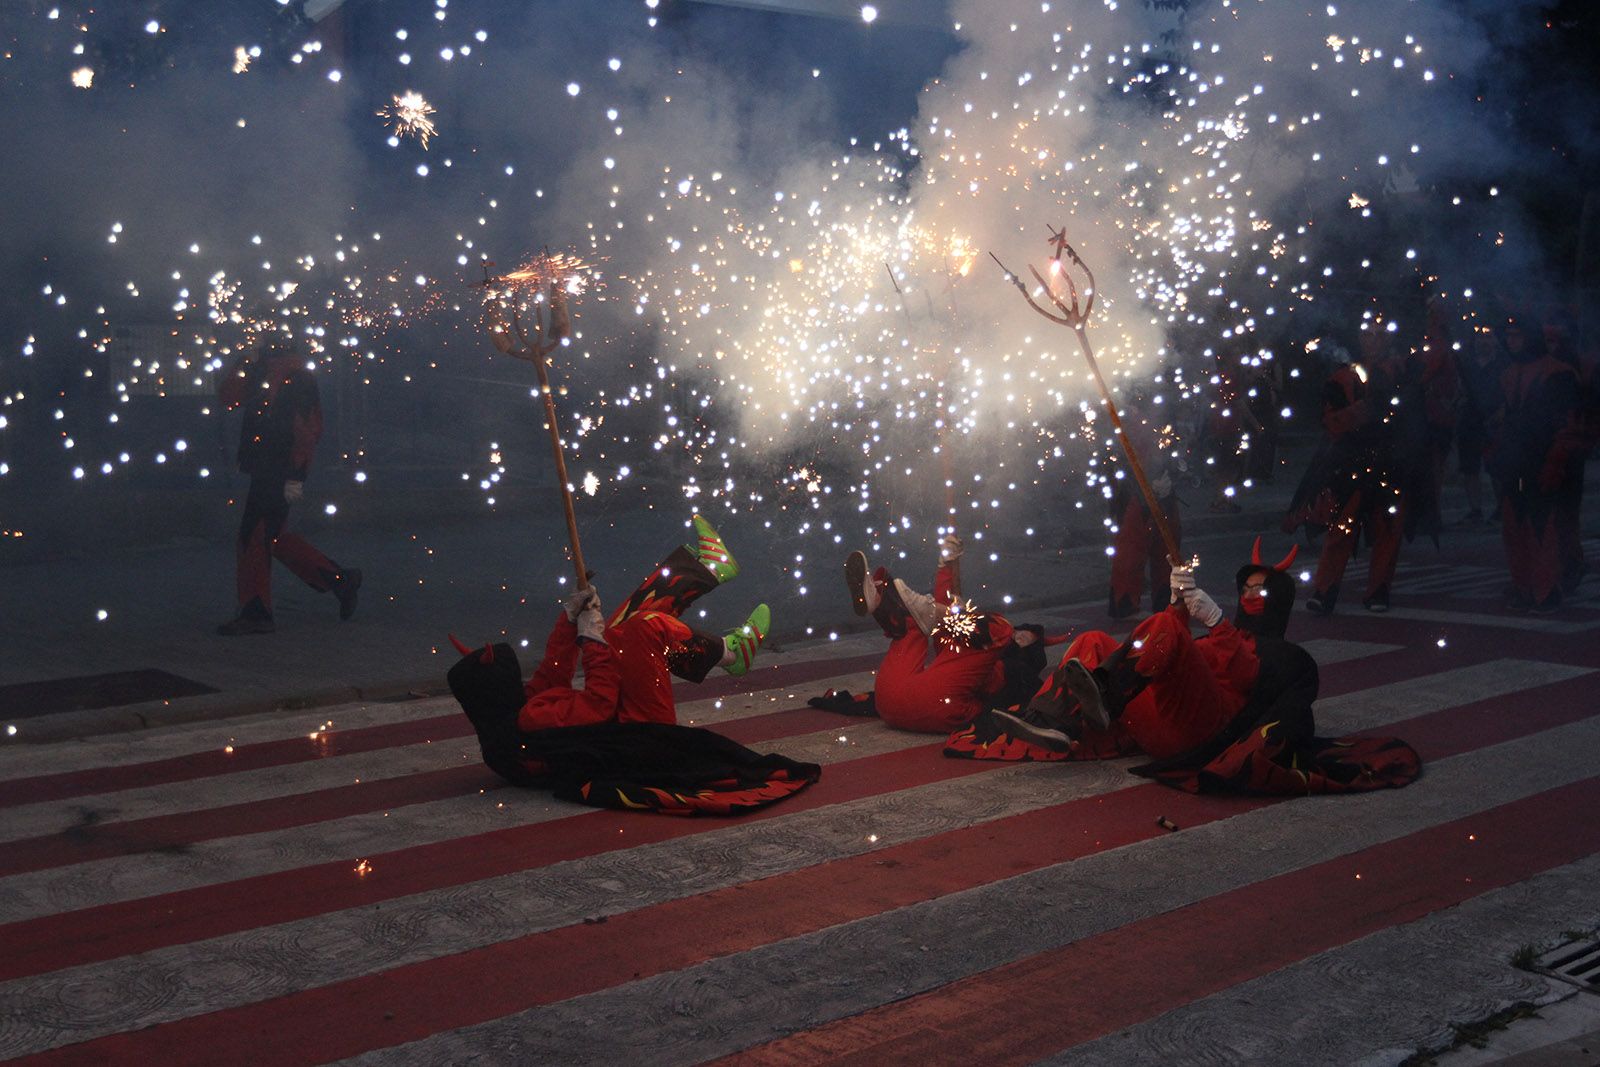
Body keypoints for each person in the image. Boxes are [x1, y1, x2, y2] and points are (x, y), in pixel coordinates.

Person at [992, 538, 1420, 795]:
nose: (1252, 596)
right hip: (1160, 721)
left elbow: (1245, 677)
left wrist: (1215, 620)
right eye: (1247, 588)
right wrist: (1179, 604)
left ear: (1280, 600)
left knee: (1166, 627)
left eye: (1262, 590)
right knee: (1093, 640)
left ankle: (1107, 692)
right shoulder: (1223, 634)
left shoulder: (1287, 655)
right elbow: (1171, 653)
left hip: (1204, 728)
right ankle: (1052, 719)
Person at [447, 516, 771, 781]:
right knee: (644, 628)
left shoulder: (517, 710)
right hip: (643, 735)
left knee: (619, 630)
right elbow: (600, 701)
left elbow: (554, 672)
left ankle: (710, 569)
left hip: (624, 722)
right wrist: (591, 640)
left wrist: (571, 618)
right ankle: (730, 652)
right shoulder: (530, 719)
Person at [216, 339, 361, 635]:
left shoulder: (290, 374)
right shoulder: (268, 368)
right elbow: (230, 398)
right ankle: (339, 579)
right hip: (279, 469)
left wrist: (293, 475)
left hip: (280, 469)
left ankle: (256, 611)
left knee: (255, 535)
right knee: (273, 535)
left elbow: (305, 428)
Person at [837, 535, 1038, 734]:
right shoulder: (963, 656)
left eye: (1026, 638)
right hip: (889, 702)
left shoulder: (1010, 669)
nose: (1020, 636)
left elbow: (1001, 633)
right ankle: (881, 602)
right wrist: (946, 566)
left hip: (938, 705)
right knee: (909, 631)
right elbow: (946, 626)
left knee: (997, 628)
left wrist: (963, 616)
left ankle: (909, 610)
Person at [1284, 321, 1419, 614]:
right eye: (1367, 335)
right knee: (1341, 525)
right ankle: (1324, 590)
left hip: (1390, 460)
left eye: (1379, 335)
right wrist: (1359, 412)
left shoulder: (1401, 372)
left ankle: (1379, 591)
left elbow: (1413, 416)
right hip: (1351, 461)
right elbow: (1329, 421)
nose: (1373, 341)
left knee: (1387, 525)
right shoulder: (1342, 376)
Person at [1490, 313, 1582, 613]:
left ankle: (1545, 589)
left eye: (1516, 334)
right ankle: (1525, 586)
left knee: (1542, 527)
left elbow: (1567, 422)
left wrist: (1556, 461)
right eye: (1508, 334)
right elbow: (1502, 417)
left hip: (1544, 460)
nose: (1510, 340)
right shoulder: (1510, 372)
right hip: (1515, 461)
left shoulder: (1557, 373)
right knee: (1515, 525)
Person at [1107, 391, 1182, 620]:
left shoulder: (1164, 420)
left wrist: (1171, 476)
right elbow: (1117, 460)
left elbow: (1175, 452)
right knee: (1131, 550)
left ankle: (1164, 598)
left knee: (1166, 551)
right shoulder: (1123, 419)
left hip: (1164, 492)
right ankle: (1125, 601)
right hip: (1134, 496)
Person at [1454, 322, 1509, 524]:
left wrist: (1502, 413)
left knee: (1496, 467)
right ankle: (1475, 509)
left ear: (1494, 341)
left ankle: (1502, 506)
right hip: (1470, 419)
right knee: (1470, 467)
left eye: (1488, 337)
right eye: (1480, 337)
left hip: (1494, 420)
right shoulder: (1467, 363)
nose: (1483, 341)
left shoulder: (1504, 364)